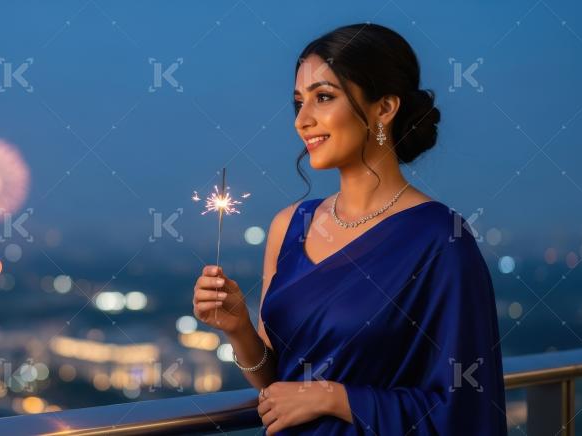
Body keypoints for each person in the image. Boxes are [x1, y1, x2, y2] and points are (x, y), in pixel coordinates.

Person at [192, 23, 507, 435]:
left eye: (323, 97)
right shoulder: (289, 226)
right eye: (298, 102)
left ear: (384, 108)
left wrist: (336, 397)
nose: (302, 120)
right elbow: (280, 390)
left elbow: (466, 409)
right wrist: (237, 328)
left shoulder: (440, 239)